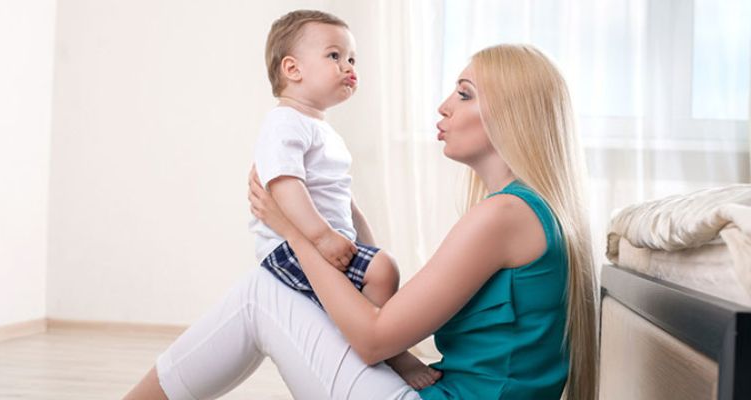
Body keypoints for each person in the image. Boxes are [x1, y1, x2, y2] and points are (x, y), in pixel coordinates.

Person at [124, 44, 598, 400]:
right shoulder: (528, 211)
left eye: (465, 93)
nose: (444, 105)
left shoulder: (503, 216)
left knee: (261, 293)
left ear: (514, 115)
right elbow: (398, 314)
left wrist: (291, 231)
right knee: (272, 292)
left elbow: (373, 339)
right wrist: (345, 216)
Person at [250, 10, 439, 388]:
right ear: (293, 69)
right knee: (383, 270)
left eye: (352, 58)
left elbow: (344, 202)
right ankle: (388, 350)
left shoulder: (322, 130)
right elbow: (284, 185)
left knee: (383, 266)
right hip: (289, 245)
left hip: (323, 240)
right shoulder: (284, 122)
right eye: (334, 56)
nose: (348, 66)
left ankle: (379, 341)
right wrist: (321, 237)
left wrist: (366, 245)